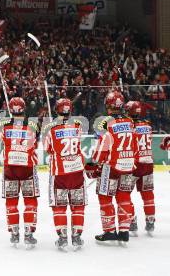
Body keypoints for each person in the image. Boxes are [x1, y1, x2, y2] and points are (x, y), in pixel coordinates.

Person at [91, 91, 138, 245]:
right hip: (128, 166)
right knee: (124, 197)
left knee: (105, 197)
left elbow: (103, 148)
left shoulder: (108, 123)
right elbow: (135, 145)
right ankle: (124, 231)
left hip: (111, 168)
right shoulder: (130, 122)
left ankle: (110, 231)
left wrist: (94, 163)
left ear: (108, 105)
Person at [43, 98, 86, 251]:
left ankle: (62, 237)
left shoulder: (50, 129)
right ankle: (76, 236)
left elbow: (48, 149)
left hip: (59, 173)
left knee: (59, 206)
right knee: (78, 205)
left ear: (57, 110)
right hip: (77, 171)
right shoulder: (78, 126)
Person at [0, 97, 39, 248]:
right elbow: (36, 142)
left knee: (11, 202)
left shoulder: (3, 126)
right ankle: (28, 233)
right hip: (27, 166)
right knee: (30, 201)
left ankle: (14, 233)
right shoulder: (33, 125)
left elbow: (1, 141)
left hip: (10, 167)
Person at [125, 101, 155, 236]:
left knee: (124, 193)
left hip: (135, 164)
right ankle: (150, 220)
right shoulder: (148, 126)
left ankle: (131, 220)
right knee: (147, 194)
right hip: (148, 163)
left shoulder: (129, 127)